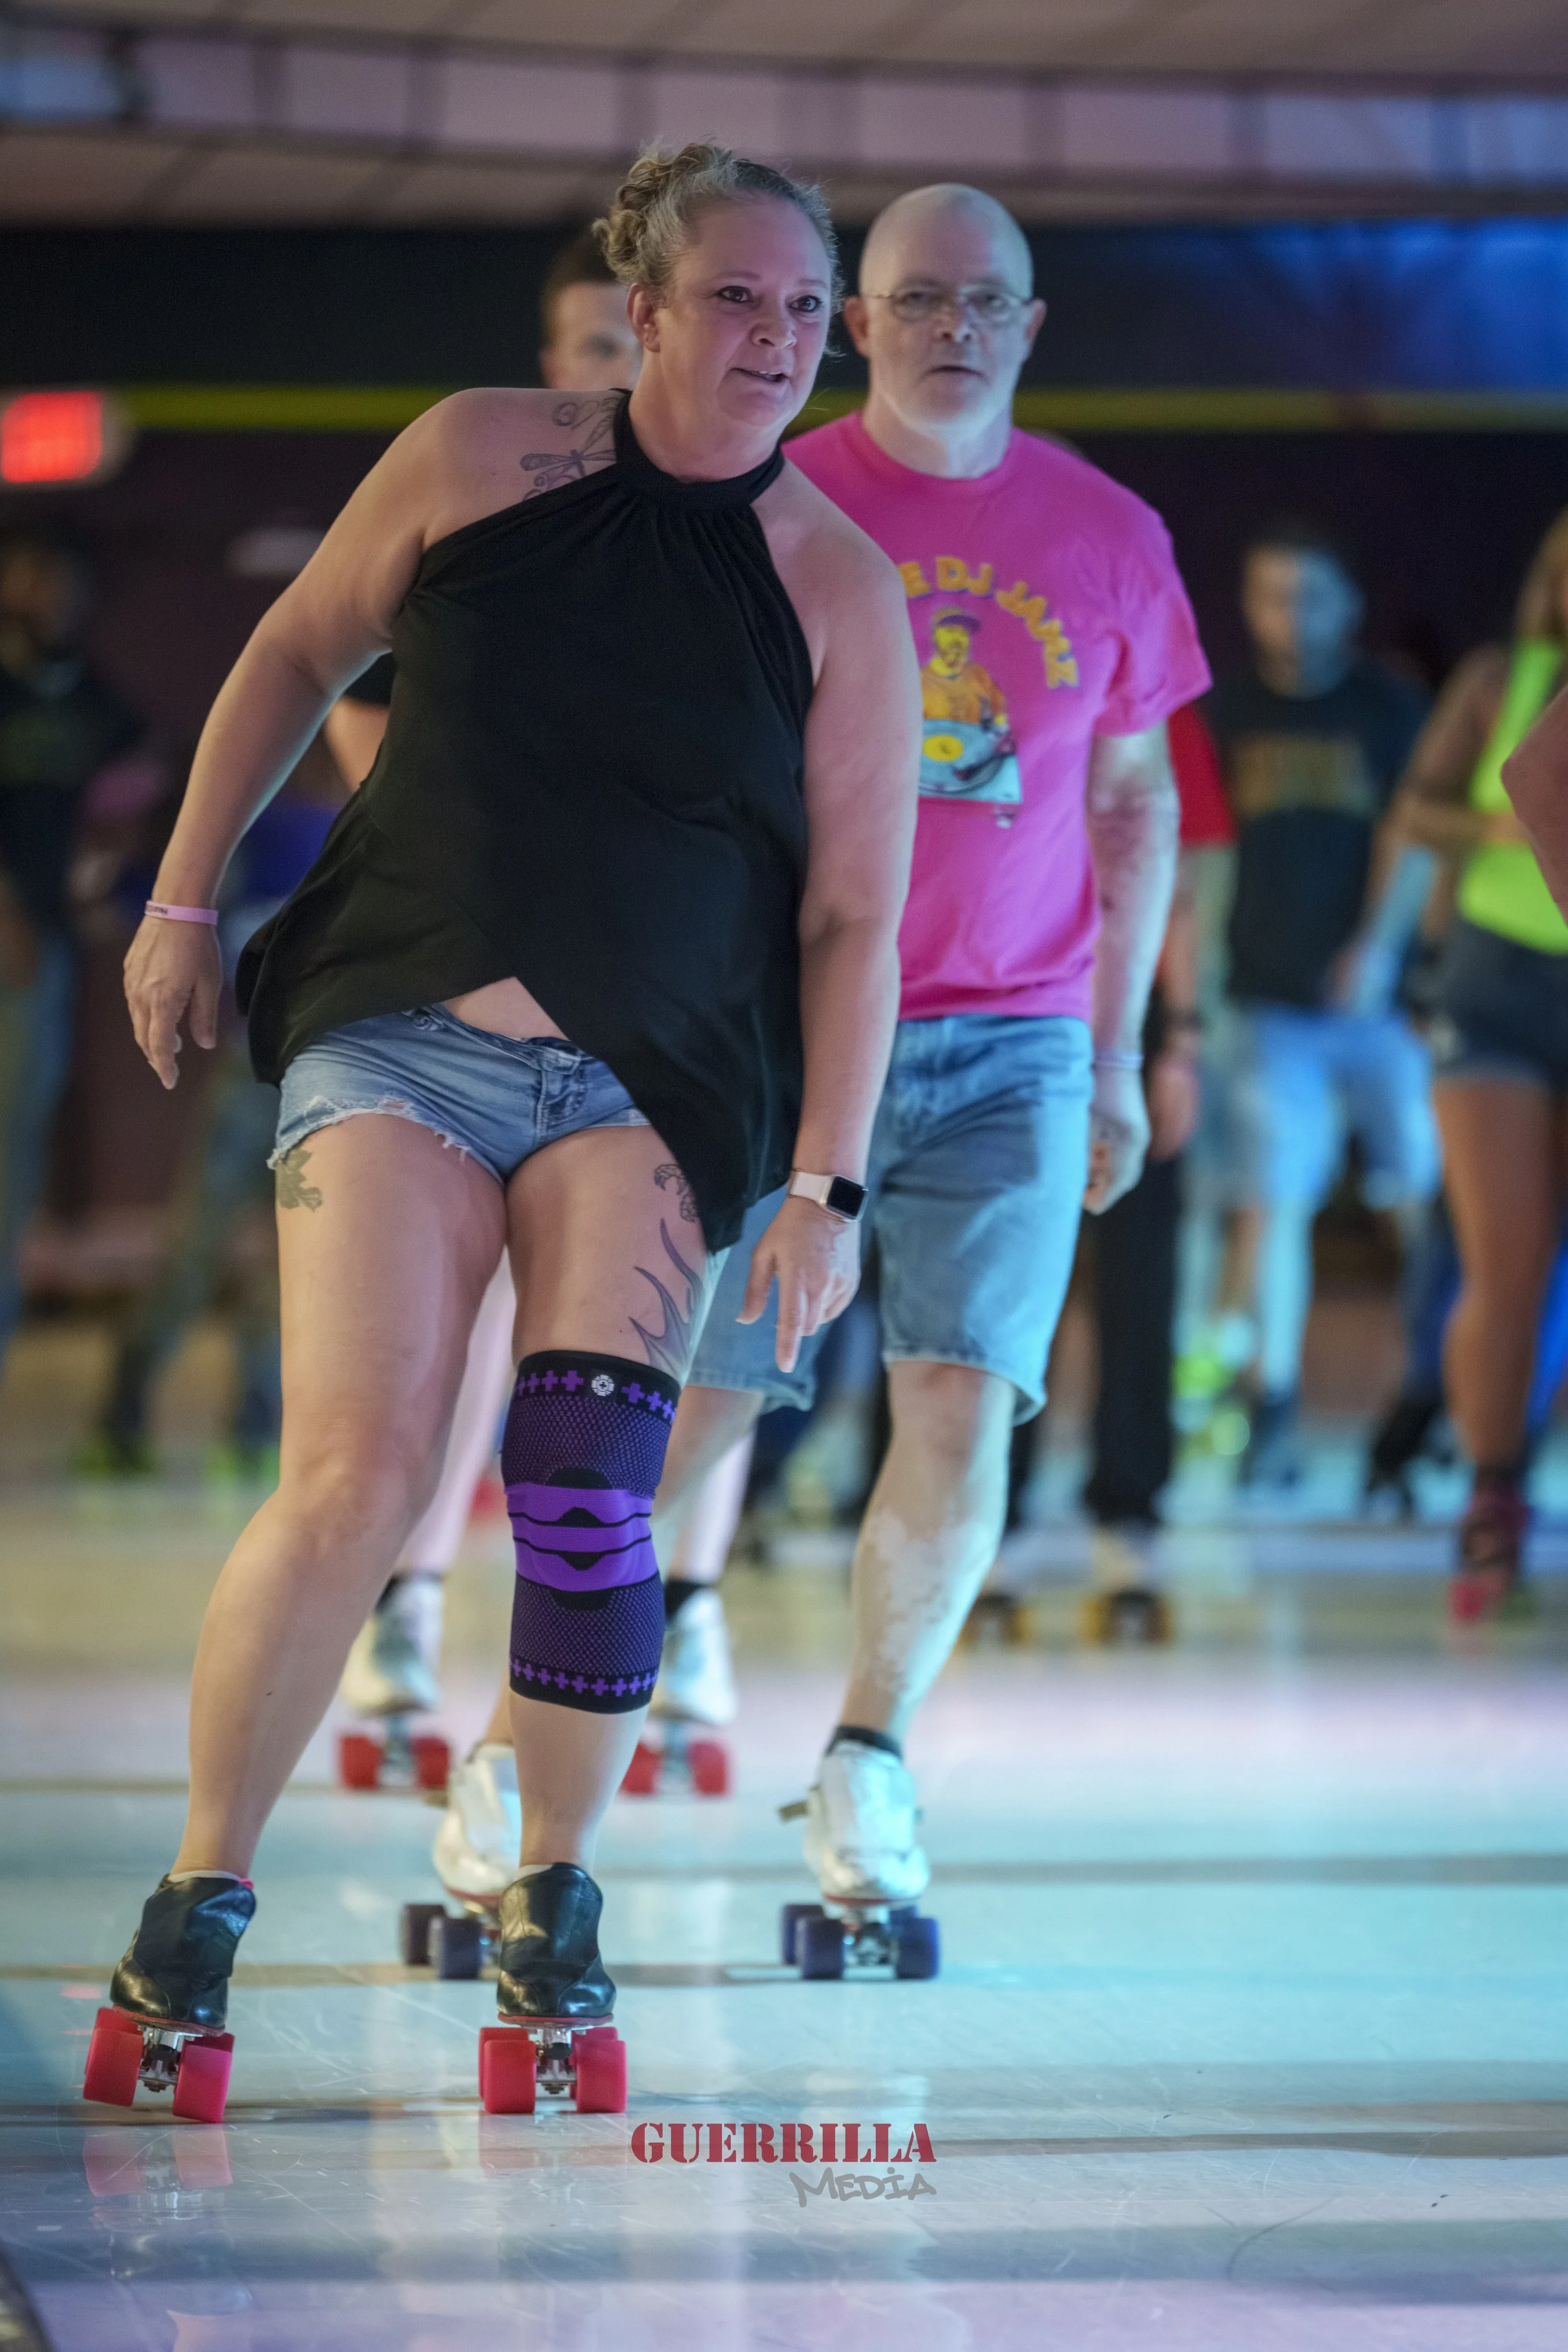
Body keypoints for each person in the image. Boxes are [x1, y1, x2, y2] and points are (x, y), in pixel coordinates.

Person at [94, 144, 918, 2101]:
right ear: (640, 308)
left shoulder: (831, 578)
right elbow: (297, 647)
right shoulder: (476, 454)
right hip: (398, 1024)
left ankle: (551, 1893)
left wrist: (825, 1177)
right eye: (736, 298)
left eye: (809, 311)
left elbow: (854, 912)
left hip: (649, 1077)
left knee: (576, 1489)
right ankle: (200, 1894)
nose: (777, 340)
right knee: (363, 1470)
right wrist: (184, 898)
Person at [650, 181, 1207, 1928]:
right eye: (917, 296)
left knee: (963, 1385)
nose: (952, 322)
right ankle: (598, 1660)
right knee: (712, 1379)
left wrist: (1116, 1048)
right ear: (855, 320)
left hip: (1019, 1039)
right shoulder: (777, 496)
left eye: (987, 298)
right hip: (793, 1023)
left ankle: (867, 1758)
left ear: (1029, 326)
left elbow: (1132, 803)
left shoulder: (1111, 531)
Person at [327, 226, 649, 1849]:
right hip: (450, 994)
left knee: (572, 1367)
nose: (613, 362)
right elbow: (344, 690)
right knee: (440, 1339)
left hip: (625, 1016)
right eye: (590, 338)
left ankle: (558, 1685)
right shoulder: (477, 487)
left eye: (628, 336)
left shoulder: (713, 530)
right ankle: (406, 1602)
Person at [1207, 522, 1438, 1485]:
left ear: (1346, 604)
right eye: (1270, 594)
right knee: (1276, 1199)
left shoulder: (1388, 705)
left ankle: (1437, 1391)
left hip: (1381, 1002)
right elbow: (1203, 848)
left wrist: (1379, 948)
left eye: (1309, 594)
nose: (1288, 614)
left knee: (1426, 1191)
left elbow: (1417, 830)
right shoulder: (1227, 708)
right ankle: (1271, 1399)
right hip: (1267, 999)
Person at [1390, 508, 1568, 1616]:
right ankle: (1490, 1494)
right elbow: (1416, 809)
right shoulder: (1506, 675)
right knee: (1509, 1262)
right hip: (1497, 989)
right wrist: (1507, 832)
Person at [0, 527, 155, 1371]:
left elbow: (144, 759)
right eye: (33, 581)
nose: (48, 600)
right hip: (13, 940)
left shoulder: (88, 696)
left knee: (12, 1161)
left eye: (63, 586)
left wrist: (111, 839)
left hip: (43, 959)